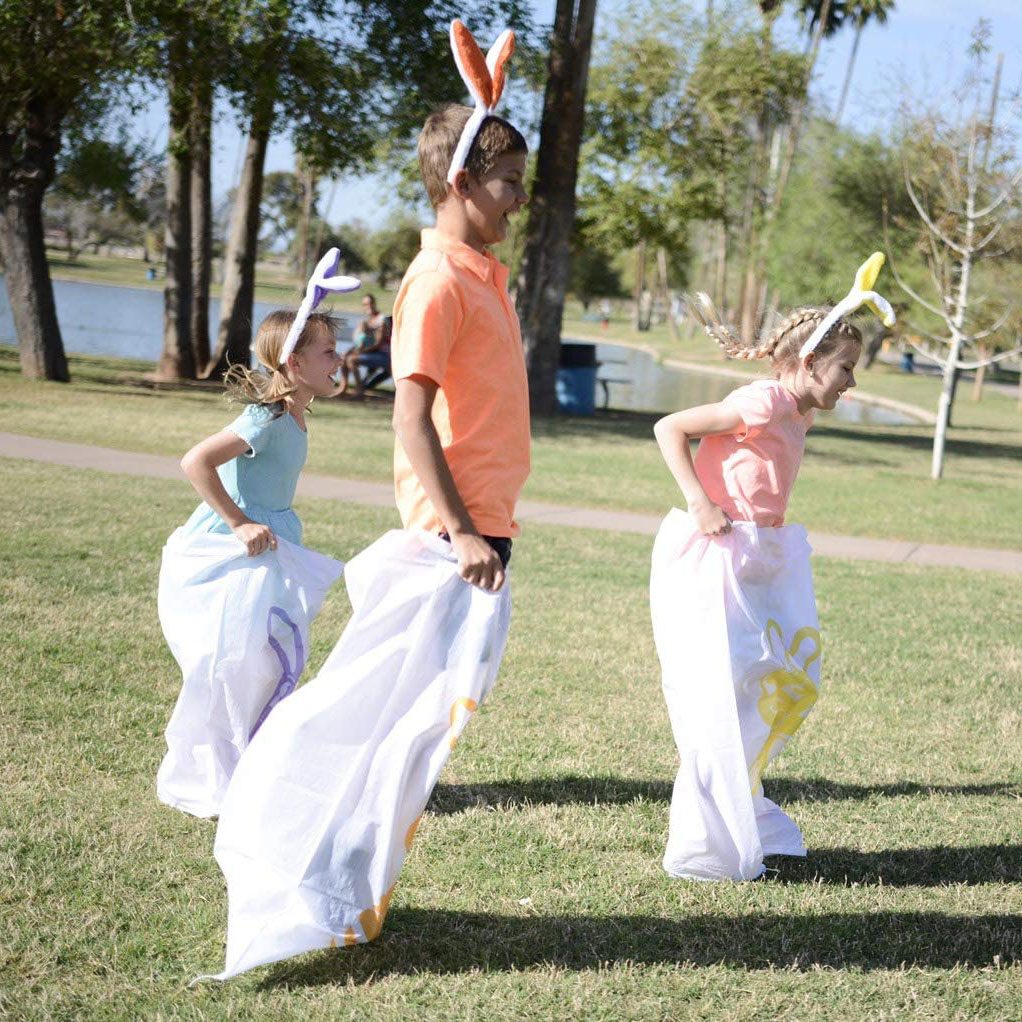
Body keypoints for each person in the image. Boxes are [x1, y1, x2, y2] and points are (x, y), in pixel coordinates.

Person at [206, 19, 529, 980]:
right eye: (509, 182)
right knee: (375, 717)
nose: (520, 200)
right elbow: (410, 421)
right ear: (462, 183)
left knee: (417, 731)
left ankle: (347, 884)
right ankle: (291, 864)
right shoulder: (437, 281)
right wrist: (465, 530)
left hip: (482, 537)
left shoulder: (483, 276)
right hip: (451, 543)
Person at [649, 254, 894, 882]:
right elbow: (669, 425)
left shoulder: (799, 409)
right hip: (716, 557)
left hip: (761, 556)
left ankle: (742, 809)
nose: (852, 383)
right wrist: (700, 503)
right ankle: (708, 841)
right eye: (845, 369)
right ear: (811, 364)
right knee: (722, 694)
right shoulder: (760, 403)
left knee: (779, 681)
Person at [157, 254, 359, 819]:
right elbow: (196, 461)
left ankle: (248, 762)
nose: (337, 359)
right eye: (326, 353)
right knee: (234, 660)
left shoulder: (295, 414)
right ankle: (213, 771)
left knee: (262, 661)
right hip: (235, 555)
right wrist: (239, 522)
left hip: (269, 551)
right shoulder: (267, 417)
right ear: (293, 362)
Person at [339, 293, 392, 397]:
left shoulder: (381, 320)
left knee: (351, 359)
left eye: (370, 303)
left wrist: (360, 351)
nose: (369, 306)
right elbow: (360, 342)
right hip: (371, 352)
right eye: (365, 304)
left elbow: (378, 344)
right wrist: (353, 350)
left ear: (374, 304)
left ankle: (359, 389)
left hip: (383, 355)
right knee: (344, 356)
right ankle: (343, 387)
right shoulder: (367, 322)